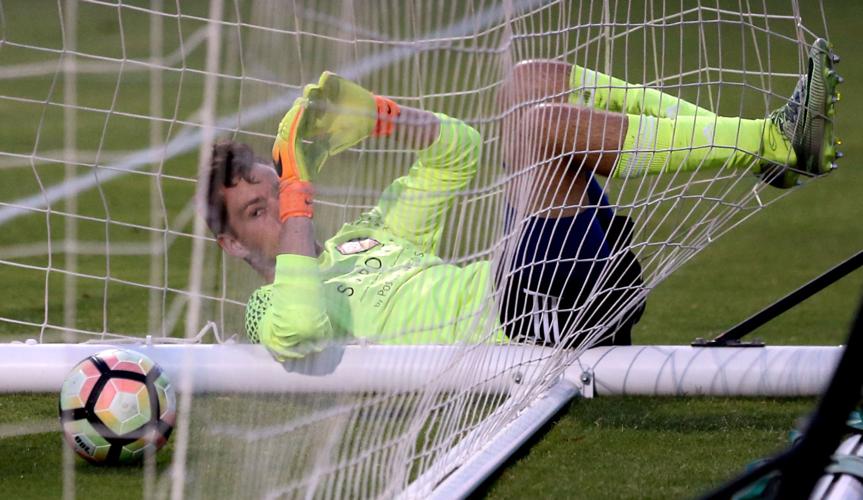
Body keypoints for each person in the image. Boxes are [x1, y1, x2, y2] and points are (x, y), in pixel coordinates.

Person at [204, 39, 840, 361]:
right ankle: (769, 143)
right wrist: (296, 191)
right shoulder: (268, 306)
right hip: (523, 325)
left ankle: (767, 148)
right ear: (231, 243)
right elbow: (302, 327)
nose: (279, 209)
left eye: (275, 188)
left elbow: (458, 150)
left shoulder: (366, 237)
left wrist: (381, 117)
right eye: (258, 211)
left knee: (530, 81)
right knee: (536, 129)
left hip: (555, 279)